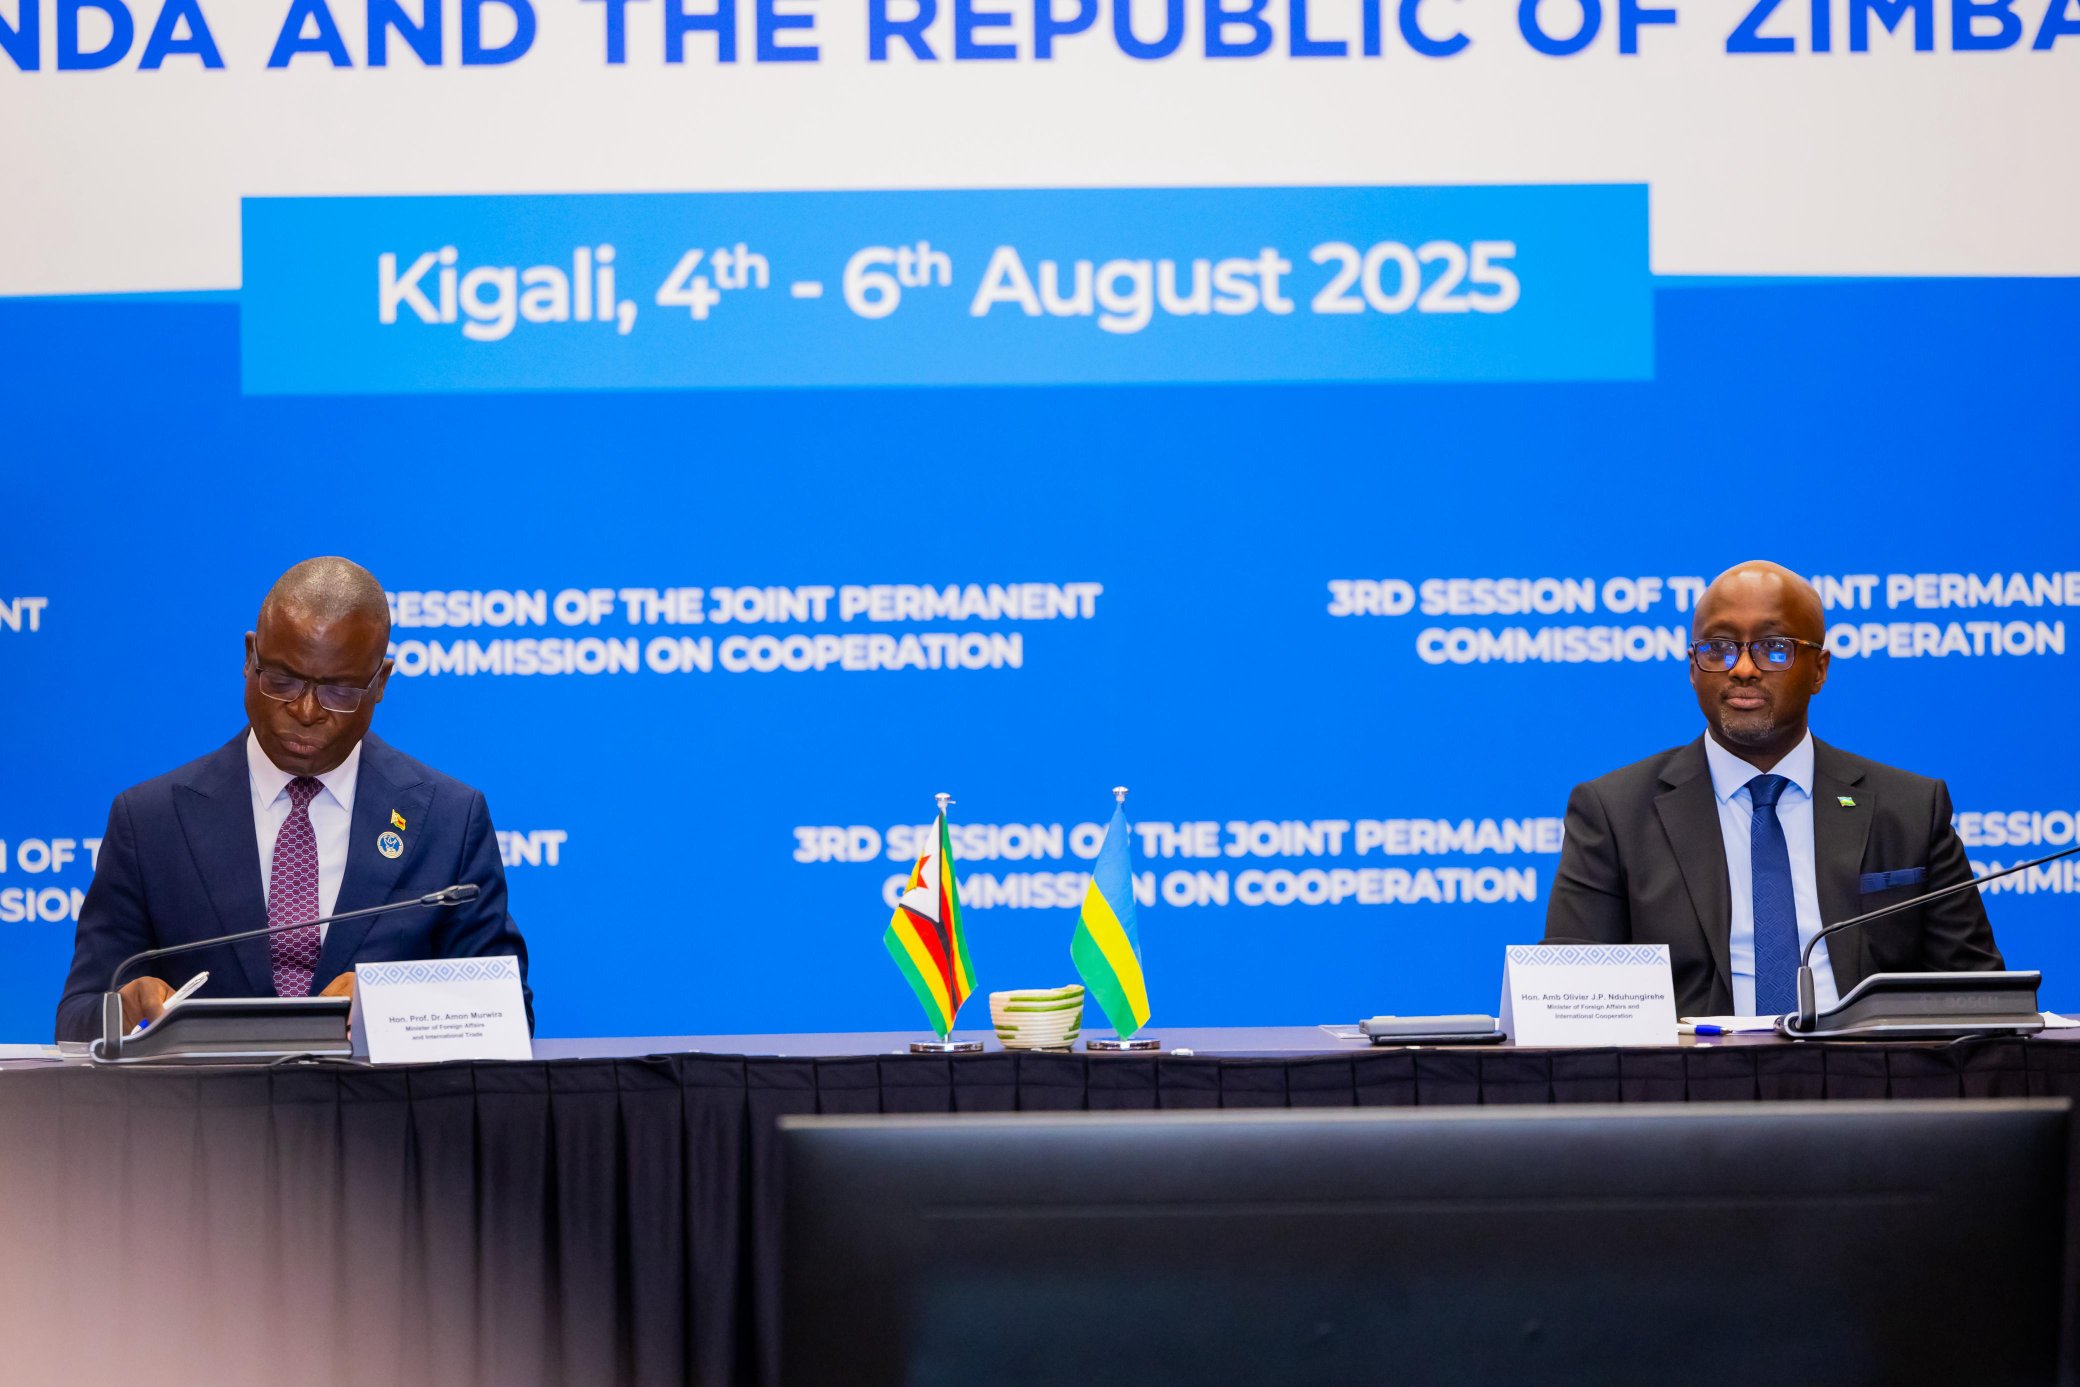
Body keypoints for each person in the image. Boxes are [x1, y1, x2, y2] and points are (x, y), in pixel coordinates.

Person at [55, 557, 531, 1043]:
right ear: (249, 657)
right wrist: (122, 1008)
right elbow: (76, 1018)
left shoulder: (448, 820)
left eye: (340, 692)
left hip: (373, 1093)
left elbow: (509, 1010)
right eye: (281, 681)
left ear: (380, 682)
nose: (305, 711)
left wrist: (389, 1002)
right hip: (211, 1094)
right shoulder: (151, 821)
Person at [1543, 559, 2001, 1017]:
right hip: (1693, 1060)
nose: (1743, 669)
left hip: (1864, 1058)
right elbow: (1570, 1005)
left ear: (1819, 669)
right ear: (1692, 669)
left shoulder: (1910, 810)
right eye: (1718, 648)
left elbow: (1981, 1001)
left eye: (1774, 648)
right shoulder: (1614, 813)